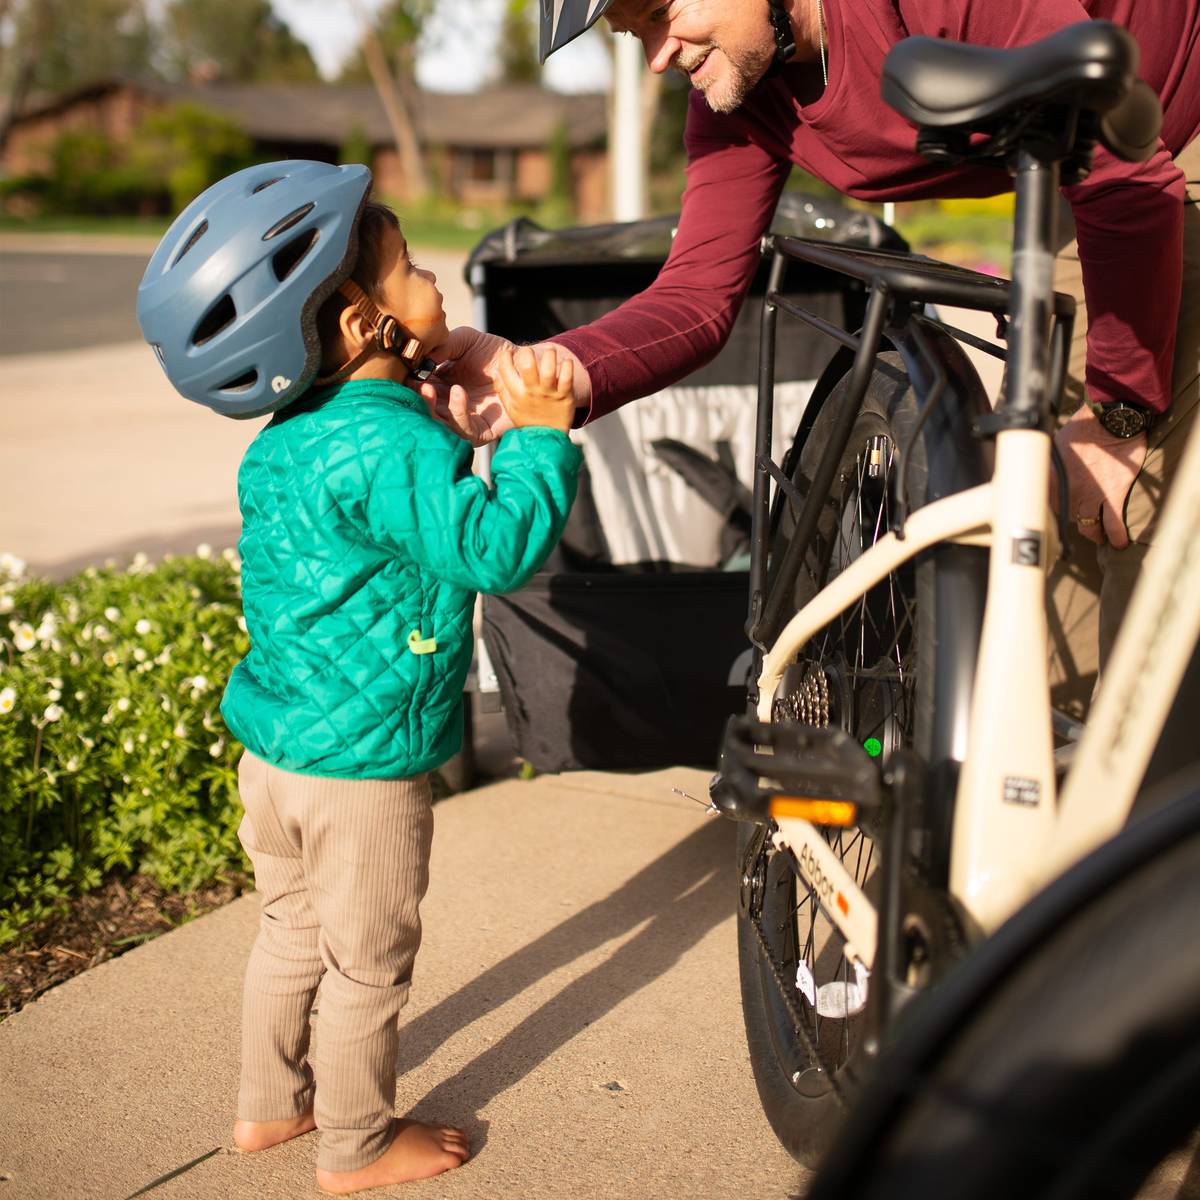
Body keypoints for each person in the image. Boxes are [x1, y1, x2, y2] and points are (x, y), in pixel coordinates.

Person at [426, 0, 1200, 716]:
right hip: (1079, 170)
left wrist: (1120, 413)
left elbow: (1129, 179)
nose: (659, 56)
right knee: (1059, 549)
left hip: (1163, 138)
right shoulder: (741, 90)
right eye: (635, 34)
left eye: (663, 12)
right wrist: (535, 373)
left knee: (1132, 508)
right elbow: (695, 296)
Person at [136, 159, 582, 1194]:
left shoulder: (285, 445)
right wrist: (536, 445)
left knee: (291, 928)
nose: (434, 284)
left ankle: (267, 1105)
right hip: (364, 771)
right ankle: (356, 1143)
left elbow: (372, 514)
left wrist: (439, 424)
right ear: (357, 325)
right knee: (370, 965)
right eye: (413, 270)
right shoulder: (390, 448)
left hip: (279, 753)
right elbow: (493, 549)